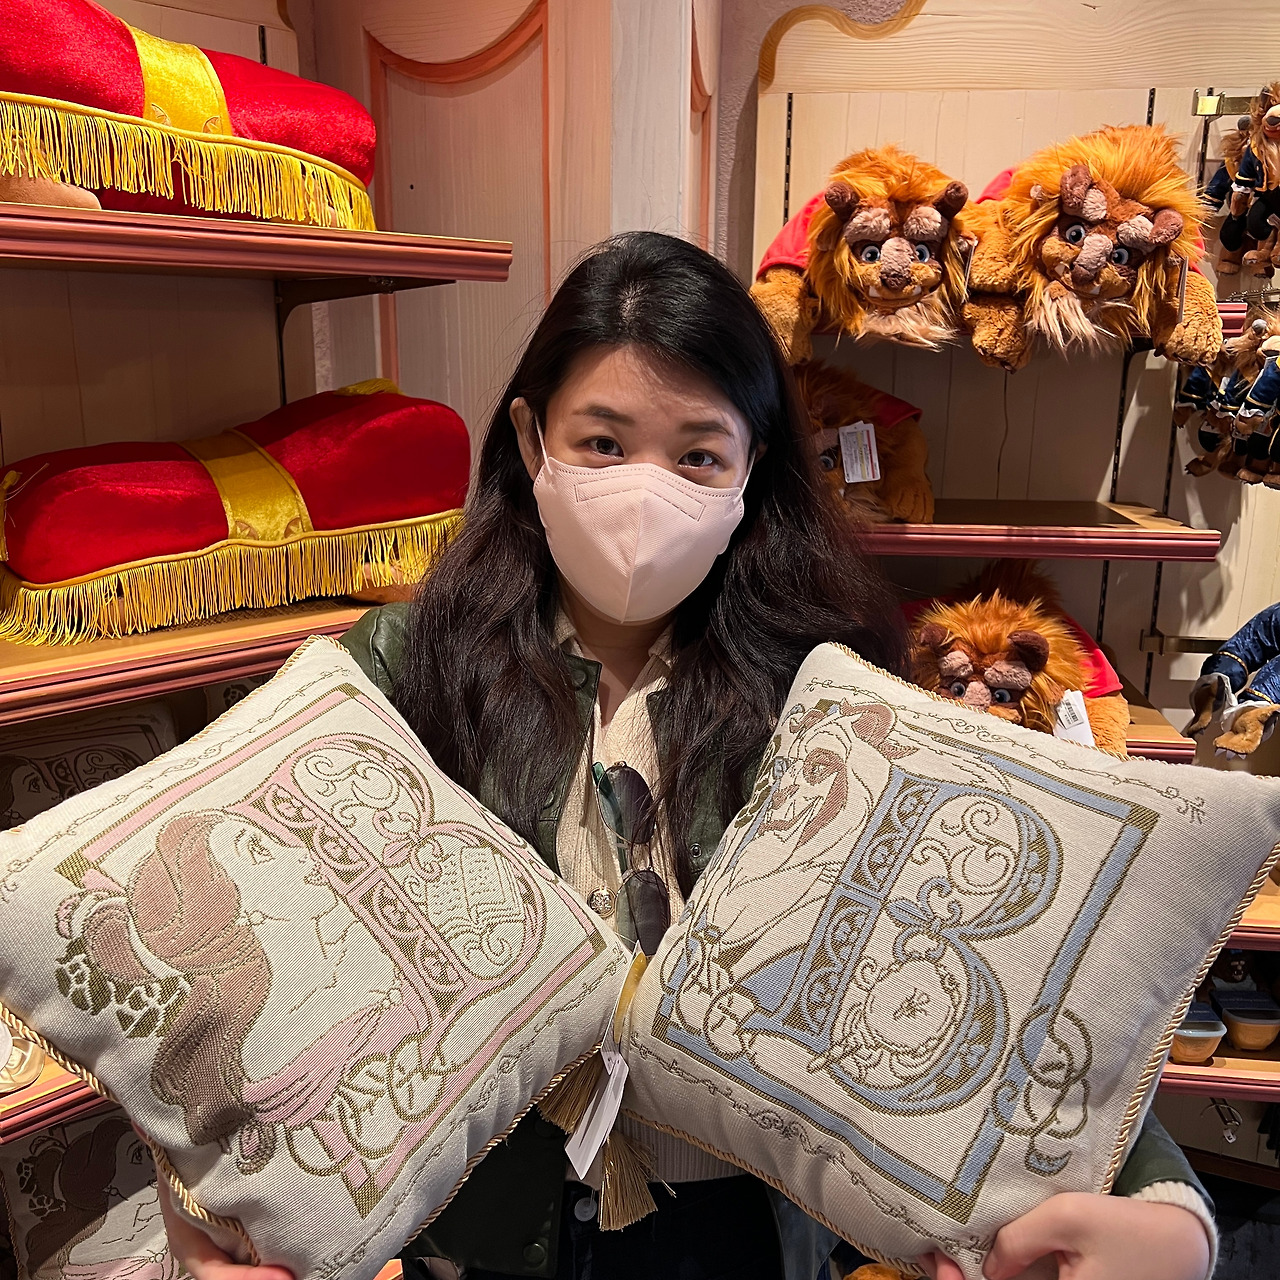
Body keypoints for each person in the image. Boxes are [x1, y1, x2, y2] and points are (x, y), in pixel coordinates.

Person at [157, 232, 1215, 1280]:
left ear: (753, 466)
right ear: (530, 438)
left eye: (697, 454)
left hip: (743, 1221)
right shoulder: (410, 662)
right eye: (602, 443)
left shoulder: (828, 684)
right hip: (487, 1222)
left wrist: (1161, 1205)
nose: (644, 492)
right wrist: (201, 1191)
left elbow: (1012, 967)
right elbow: (238, 916)